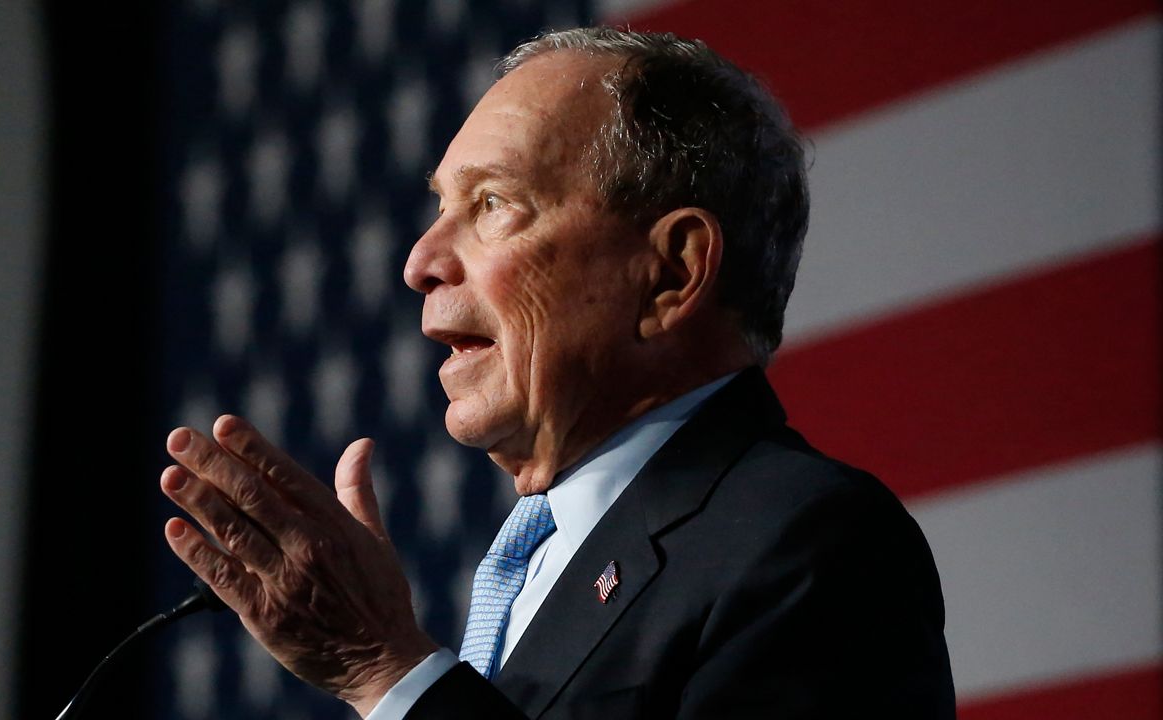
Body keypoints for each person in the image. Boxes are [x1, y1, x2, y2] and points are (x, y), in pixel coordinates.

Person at [159, 27, 956, 719]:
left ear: (673, 273)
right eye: (439, 208)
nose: (420, 263)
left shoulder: (811, 545)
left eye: (494, 205)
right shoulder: (537, 558)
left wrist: (386, 671)